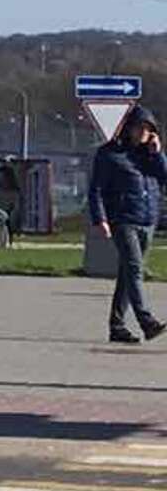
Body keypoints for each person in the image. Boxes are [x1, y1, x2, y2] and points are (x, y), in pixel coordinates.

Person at [87, 106, 165, 345]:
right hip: (122, 219)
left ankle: (117, 326)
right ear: (128, 128)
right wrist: (100, 219)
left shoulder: (148, 155)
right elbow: (96, 190)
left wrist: (157, 153)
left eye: (148, 129)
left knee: (127, 275)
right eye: (140, 127)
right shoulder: (109, 154)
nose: (143, 132)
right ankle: (146, 321)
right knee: (134, 269)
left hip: (147, 219)